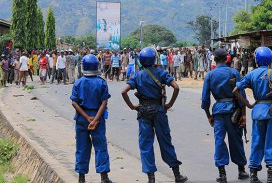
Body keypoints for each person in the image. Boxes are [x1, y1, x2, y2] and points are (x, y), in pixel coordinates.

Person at [121, 47, 188, 183]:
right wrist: (170, 104)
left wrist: (132, 106)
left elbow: (124, 92)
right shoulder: (161, 72)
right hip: (159, 110)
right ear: (154, 59)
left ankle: (151, 178)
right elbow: (176, 87)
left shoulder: (137, 75)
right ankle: (177, 175)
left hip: (143, 111)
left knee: (145, 144)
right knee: (165, 141)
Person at [201, 48, 249, 183]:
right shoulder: (234, 72)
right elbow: (242, 96)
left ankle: (222, 174)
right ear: (227, 58)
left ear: (214, 59)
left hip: (218, 112)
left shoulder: (210, 75)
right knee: (236, 140)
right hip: (234, 110)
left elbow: (205, 99)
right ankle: (241, 170)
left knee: (219, 141)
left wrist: (209, 116)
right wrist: (244, 115)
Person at [70, 54, 112, 183]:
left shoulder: (78, 82)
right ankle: (103, 177)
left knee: (81, 147)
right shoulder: (101, 82)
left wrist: (87, 117)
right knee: (100, 147)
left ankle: (81, 177)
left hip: (82, 119)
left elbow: (74, 103)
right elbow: (104, 103)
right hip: (98, 118)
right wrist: (94, 120)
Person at [233, 46, 272, 183]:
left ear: (257, 59)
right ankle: (270, 173)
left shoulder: (252, 74)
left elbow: (236, 90)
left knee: (256, 141)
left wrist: (248, 104)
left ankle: (254, 174)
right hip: (271, 110)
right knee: (270, 142)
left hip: (258, 110)